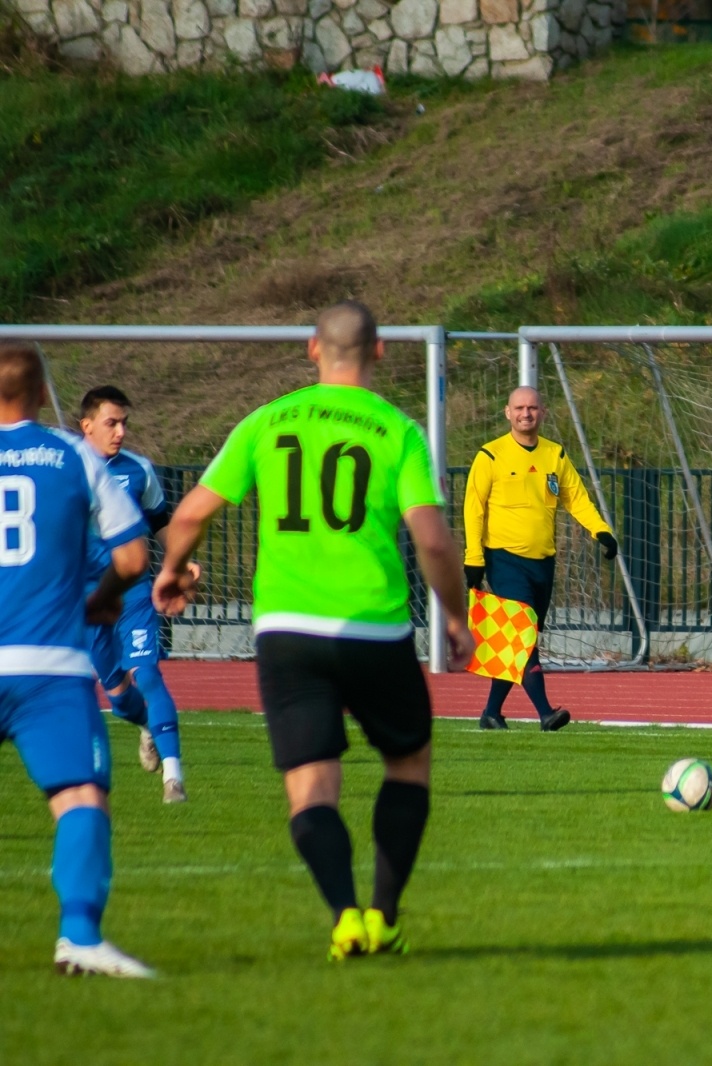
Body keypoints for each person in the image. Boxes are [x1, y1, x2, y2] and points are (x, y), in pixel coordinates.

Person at [153, 302, 475, 960]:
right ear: (380, 352)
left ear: (311, 350)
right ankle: (383, 915)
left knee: (310, 784)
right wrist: (455, 613)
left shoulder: (267, 421)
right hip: (373, 628)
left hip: (287, 631)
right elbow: (435, 542)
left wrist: (173, 569)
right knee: (408, 764)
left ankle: (343, 916)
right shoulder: (397, 430)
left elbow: (189, 513)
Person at [0, 343, 155, 977]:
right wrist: (102, 603)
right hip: (48, 668)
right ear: (42, 393)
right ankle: (80, 938)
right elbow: (133, 560)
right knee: (81, 796)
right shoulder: (75, 456)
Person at [462, 386, 618, 731]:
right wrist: (473, 556)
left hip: (543, 562)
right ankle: (546, 713)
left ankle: (491, 713)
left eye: (532, 408)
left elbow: (576, 498)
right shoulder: (490, 455)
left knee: (517, 640)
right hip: (504, 559)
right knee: (524, 635)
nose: (526, 414)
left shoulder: (555, 455)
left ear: (542, 413)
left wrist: (601, 531)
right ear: (507, 413)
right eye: (519, 408)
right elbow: (473, 509)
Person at [79, 385, 191, 803]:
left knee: (147, 674)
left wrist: (180, 560)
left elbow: (162, 522)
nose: (121, 431)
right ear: (86, 425)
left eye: (124, 423)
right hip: (88, 598)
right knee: (119, 697)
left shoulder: (138, 470)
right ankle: (146, 725)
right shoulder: (64, 469)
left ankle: (174, 779)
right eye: (111, 423)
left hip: (134, 590)